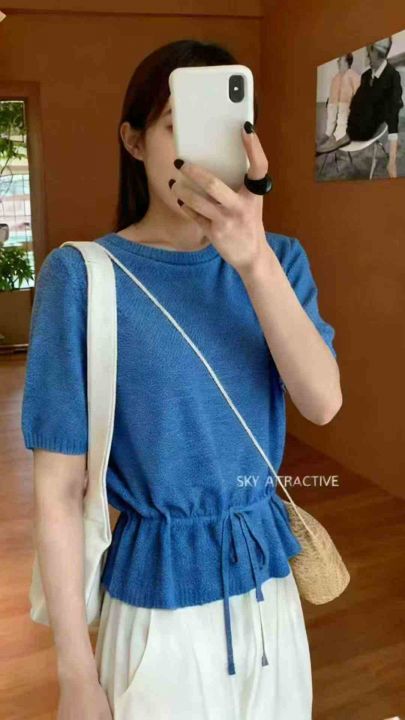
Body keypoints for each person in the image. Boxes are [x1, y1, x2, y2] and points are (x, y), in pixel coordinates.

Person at [21, 39, 342, 719]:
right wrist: (75, 676)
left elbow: (322, 402)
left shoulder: (279, 261)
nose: (201, 153)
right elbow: (58, 490)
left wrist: (252, 260)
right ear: (134, 141)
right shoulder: (81, 278)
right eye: (178, 126)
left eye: (223, 129)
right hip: (157, 602)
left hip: (269, 588)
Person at [317, 38, 403, 178]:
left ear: (377, 52)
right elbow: (355, 104)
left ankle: (339, 135)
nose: (367, 55)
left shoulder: (393, 77)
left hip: (367, 128)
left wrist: (392, 161)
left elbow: (393, 117)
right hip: (351, 124)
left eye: (369, 51)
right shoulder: (365, 76)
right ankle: (337, 134)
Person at [317, 53, 361, 148]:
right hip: (335, 106)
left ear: (346, 62)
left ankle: (339, 135)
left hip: (348, 109)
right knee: (331, 108)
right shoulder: (336, 78)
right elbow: (332, 98)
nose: (337, 61)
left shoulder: (353, 76)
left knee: (343, 109)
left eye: (340, 59)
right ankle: (328, 133)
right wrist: (331, 102)